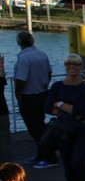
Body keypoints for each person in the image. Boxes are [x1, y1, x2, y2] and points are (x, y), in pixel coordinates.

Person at [47, 55, 85, 181]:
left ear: (81, 67)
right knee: (67, 165)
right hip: (64, 130)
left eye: (75, 64)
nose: (72, 67)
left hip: (82, 129)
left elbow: (81, 110)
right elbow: (48, 107)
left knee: (78, 163)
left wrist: (60, 104)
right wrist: (67, 110)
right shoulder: (57, 86)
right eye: (68, 64)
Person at [12, 32, 54, 168]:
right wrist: (45, 84)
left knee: (34, 128)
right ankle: (41, 155)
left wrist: (17, 93)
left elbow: (21, 79)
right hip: (42, 93)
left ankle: (49, 156)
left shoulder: (24, 58)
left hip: (28, 97)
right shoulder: (42, 54)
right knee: (40, 125)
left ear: (19, 43)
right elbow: (49, 73)